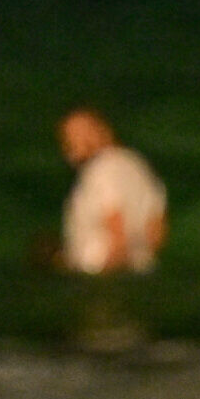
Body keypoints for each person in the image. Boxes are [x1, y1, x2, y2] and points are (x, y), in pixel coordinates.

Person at [56, 108, 168, 275]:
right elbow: (157, 230)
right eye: (68, 136)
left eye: (80, 133)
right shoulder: (137, 165)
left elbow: (116, 221)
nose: (72, 143)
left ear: (104, 131)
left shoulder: (101, 168)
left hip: (101, 272)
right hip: (140, 269)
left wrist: (110, 277)